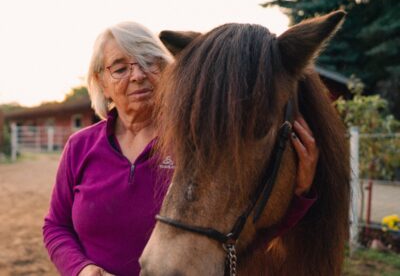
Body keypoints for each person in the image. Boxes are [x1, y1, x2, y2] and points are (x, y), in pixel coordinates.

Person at [43, 21, 319, 276]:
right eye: (120, 67)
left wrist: (298, 196)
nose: (138, 75)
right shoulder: (80, 147)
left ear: (168, 71)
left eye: (149, 62)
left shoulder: (197, 142)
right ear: (102, 83)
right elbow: (56, 226)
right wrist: (82, 269)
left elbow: (240, 231)